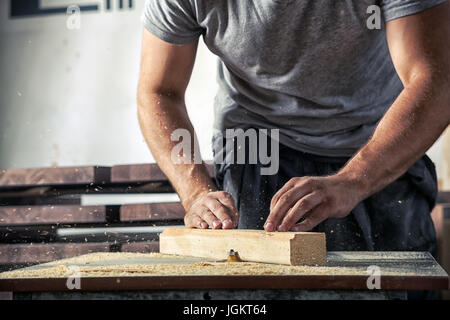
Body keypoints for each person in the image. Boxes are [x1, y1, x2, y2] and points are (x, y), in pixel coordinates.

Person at [137, 0, 449, 267]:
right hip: (256, 145)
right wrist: (195, 192)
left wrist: (355, 180)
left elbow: (437, 80)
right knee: (258, 289)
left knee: (394, 286)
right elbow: (160, 91)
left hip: (376, 142)